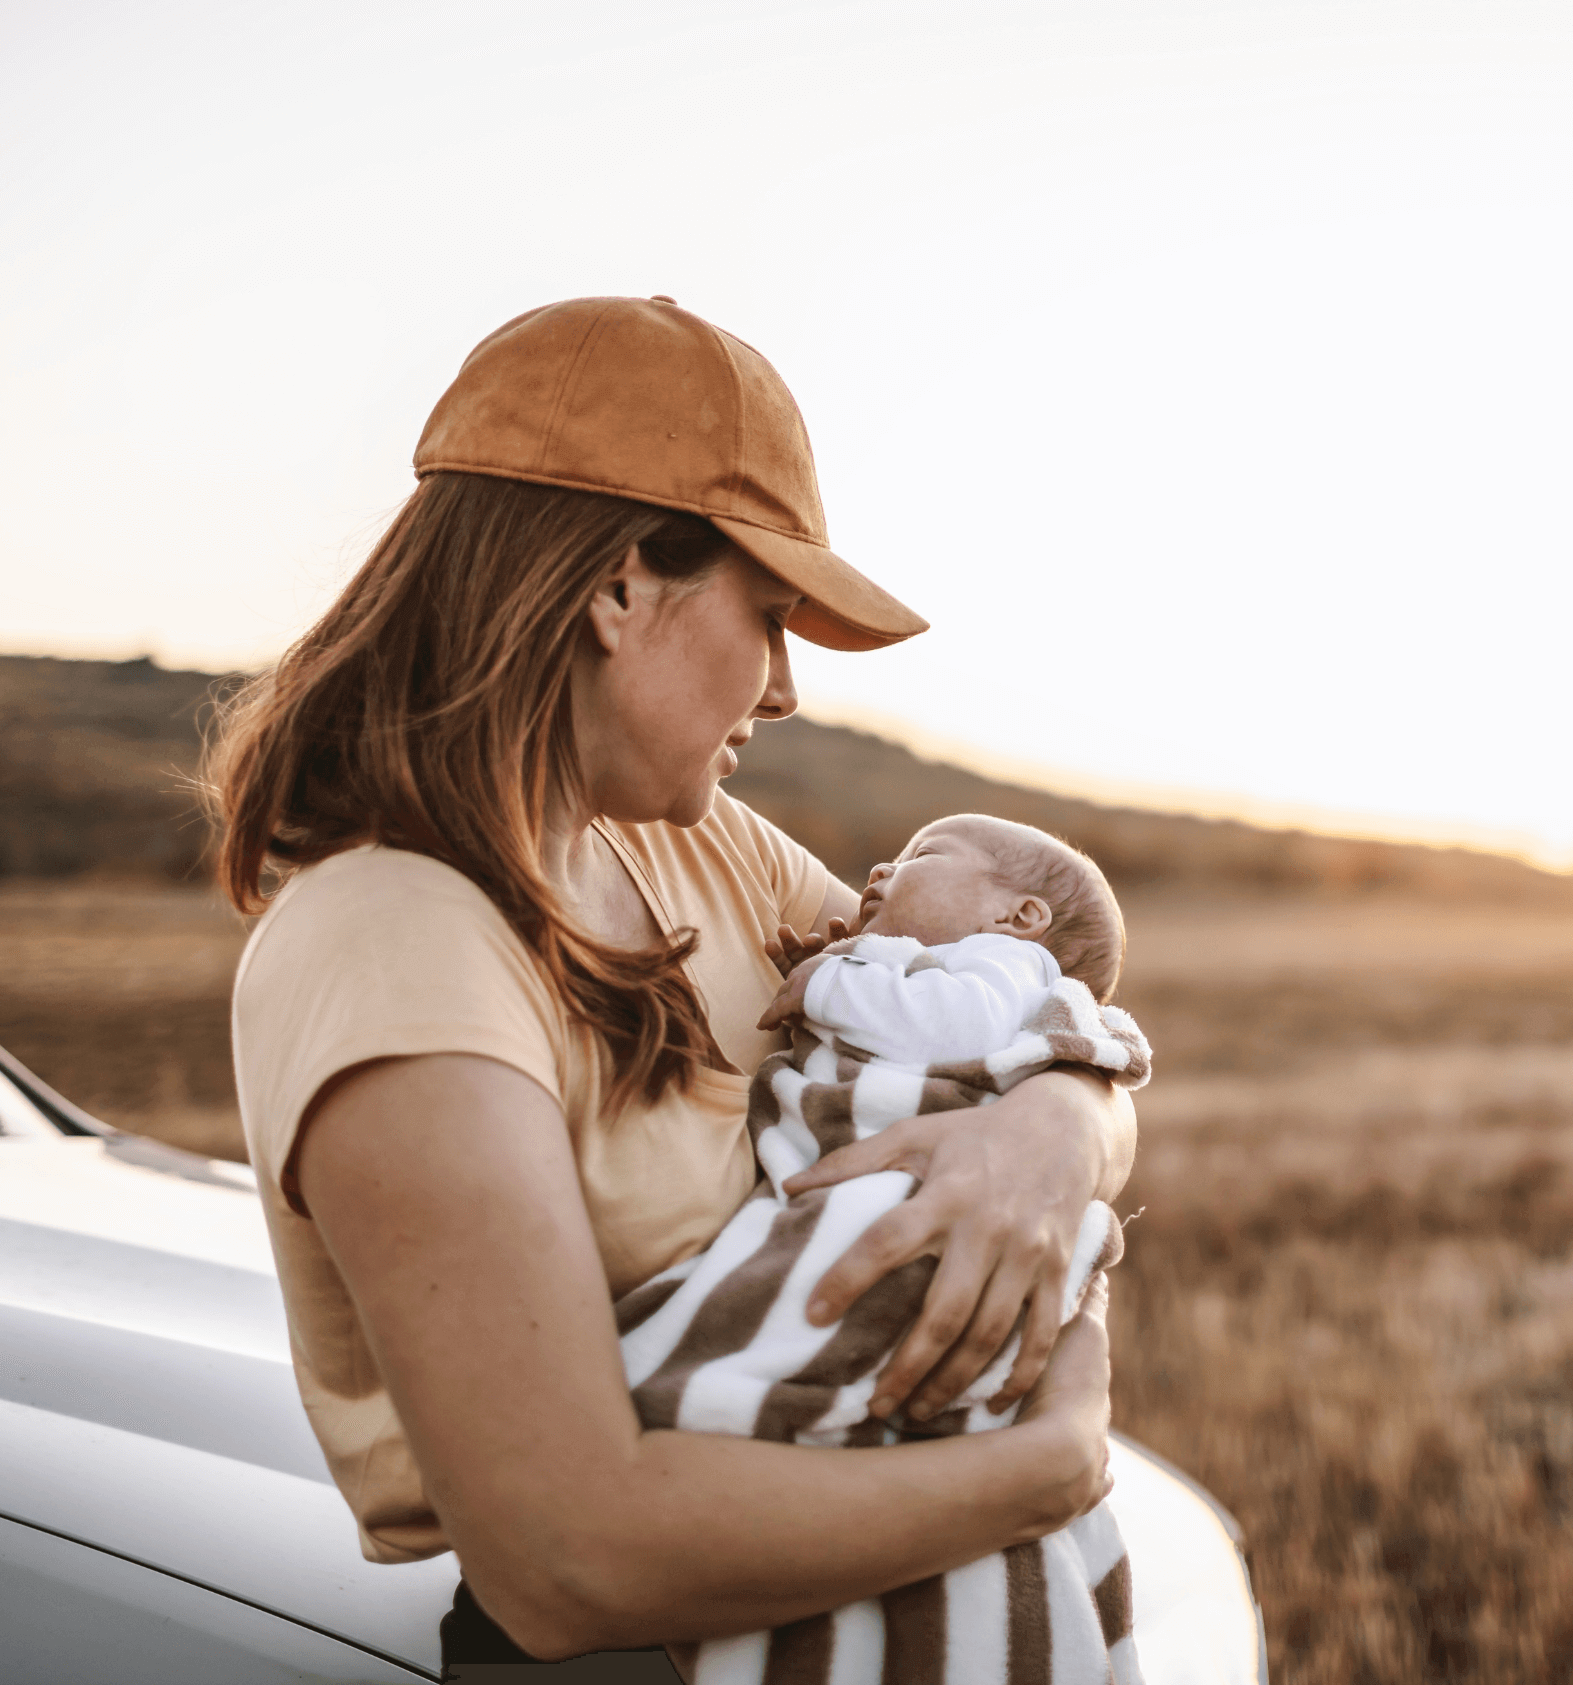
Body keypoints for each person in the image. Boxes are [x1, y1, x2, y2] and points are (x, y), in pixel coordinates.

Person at [216, 296, 1138, 1673]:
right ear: (617, 585)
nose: (784, 692)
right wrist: (1052, 1475)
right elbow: (572, 1563)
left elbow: (1010, 1006)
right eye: (769, 618)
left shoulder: (697, 845)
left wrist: (1063, 1127)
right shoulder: (391, 944)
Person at [620, 814, 1150, 1684]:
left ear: (1021, 919)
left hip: (904, 1203)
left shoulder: (1002, 969)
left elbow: (961, 1031)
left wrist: (828, 981)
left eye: (921, 857)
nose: (880, 868)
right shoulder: (928, 954)